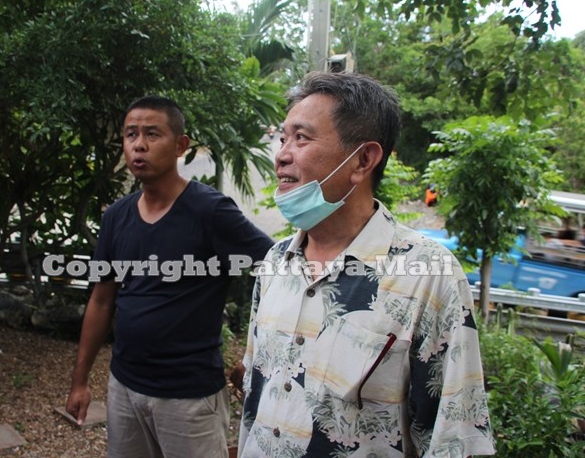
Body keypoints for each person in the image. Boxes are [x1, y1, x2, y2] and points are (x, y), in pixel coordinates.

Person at [234, 72, 495, 457]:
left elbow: (455, 437)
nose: (282, 155)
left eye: (301, 138)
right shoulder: (276, 262)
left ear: (363, 159)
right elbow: (255, 404)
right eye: (283, 138)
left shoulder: (426, 273)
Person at [65, 96, 273, 457]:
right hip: (125, 387)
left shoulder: (210, 211)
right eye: (131, 135)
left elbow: (276, 269)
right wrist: (80, 381)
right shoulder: (116, 217)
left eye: (151, 134)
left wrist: (256, 355)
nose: (139, 145)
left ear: (181, 146)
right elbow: (101, 299)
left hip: (188, 396)